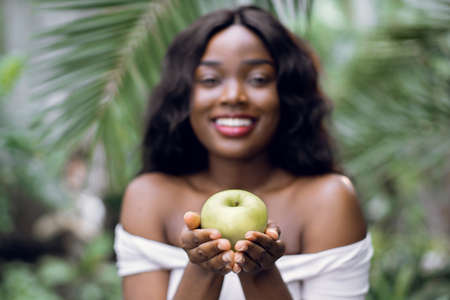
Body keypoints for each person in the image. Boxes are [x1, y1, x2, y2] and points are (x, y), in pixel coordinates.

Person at [114, 5, 373, 300]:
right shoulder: (148, 198)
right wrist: (203, 269)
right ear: (185, 96)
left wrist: (260, 272)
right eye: (211, 80)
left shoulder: (329, 200)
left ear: (287, 93)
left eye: (258, 79)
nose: (233, 96)